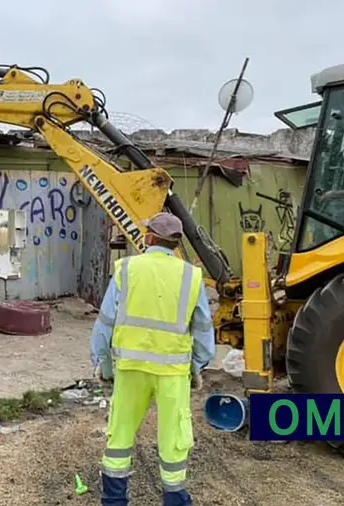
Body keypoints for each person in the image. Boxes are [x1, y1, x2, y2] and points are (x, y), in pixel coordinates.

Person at [89, 212, 216, 506]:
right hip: (173, 373)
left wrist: (103, 364)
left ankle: (115, 500)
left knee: (119, 436)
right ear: (175, 243)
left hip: (131, 369)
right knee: (174, 440)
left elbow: (105, 323)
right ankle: (175, 500)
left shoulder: (126, 269)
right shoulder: (191, 275)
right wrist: (197, 366)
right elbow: (203, 330)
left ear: (148, 238)